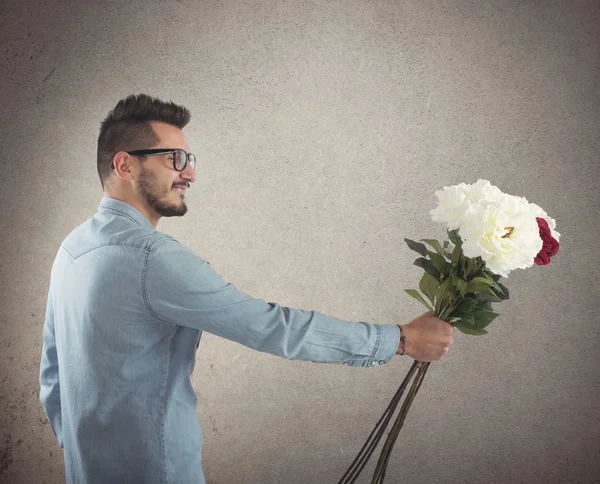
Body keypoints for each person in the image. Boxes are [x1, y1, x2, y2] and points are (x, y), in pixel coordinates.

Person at [38, 93, 454, 484]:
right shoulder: (152, 258)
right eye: (175, 158)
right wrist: (399, 340)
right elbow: (272, 327)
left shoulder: (72, 249)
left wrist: (90, 452)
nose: (191, 173)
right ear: (125, 165)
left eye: (190, 158)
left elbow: (53, 379)